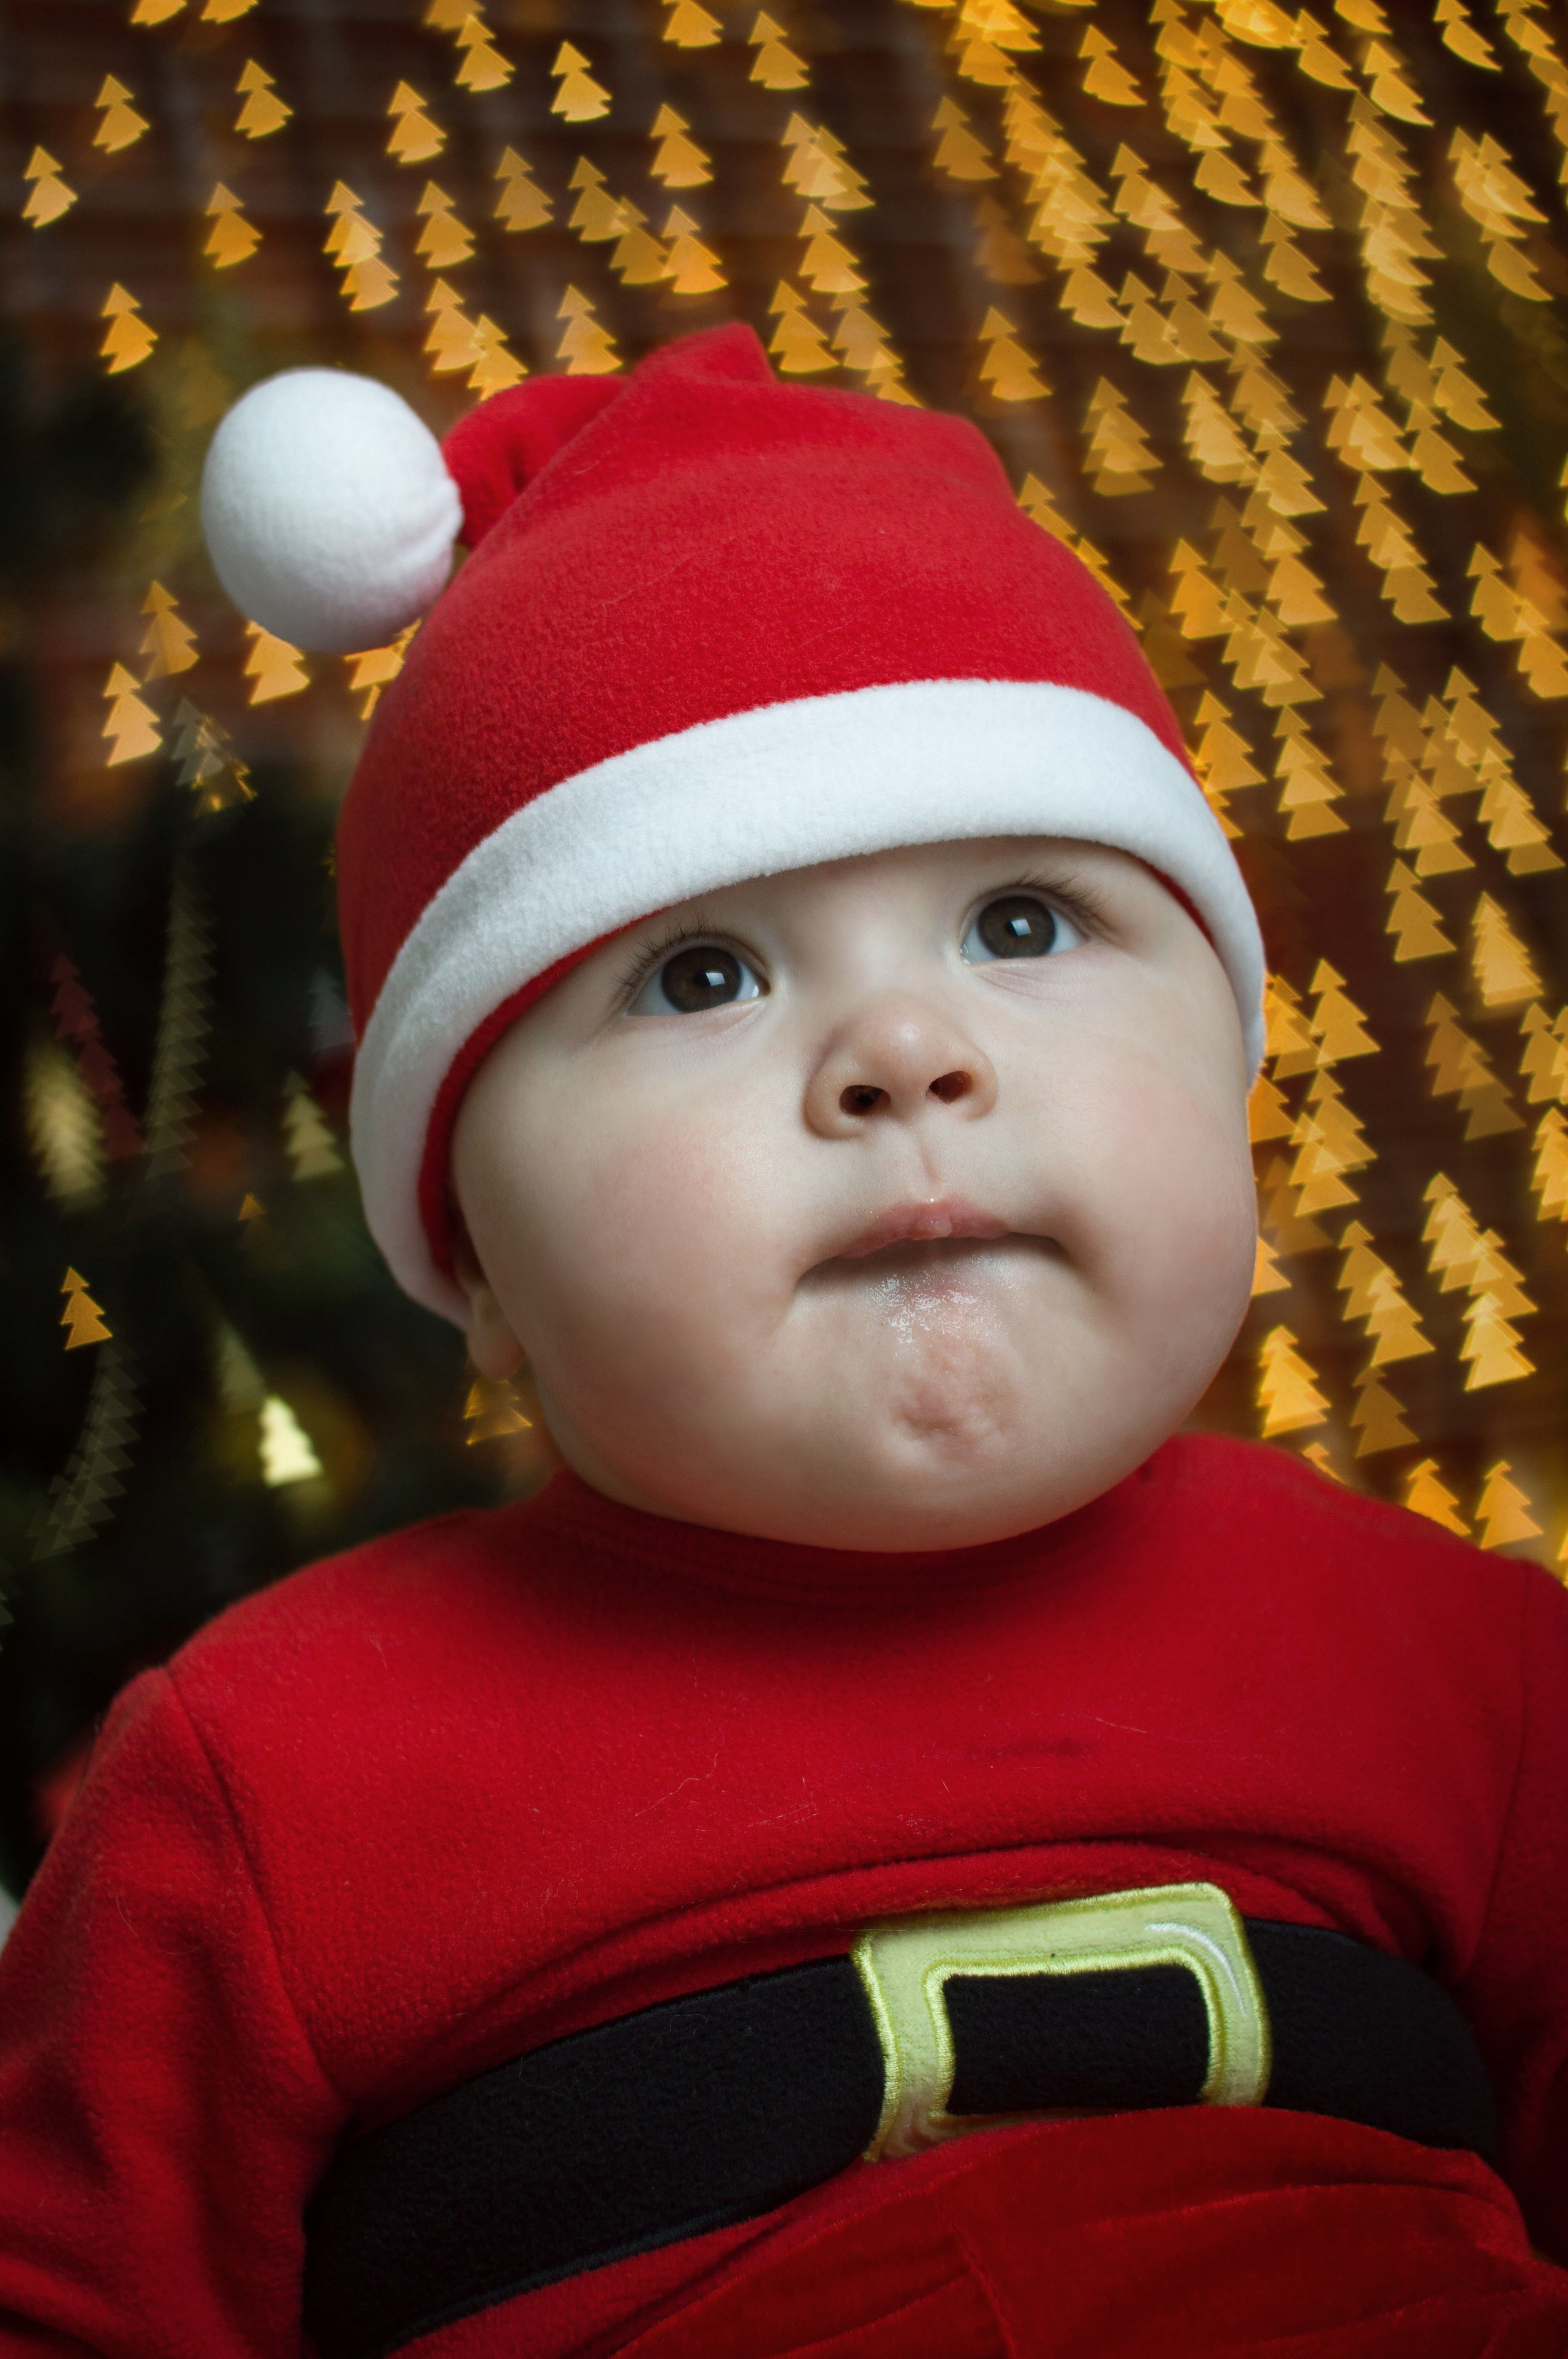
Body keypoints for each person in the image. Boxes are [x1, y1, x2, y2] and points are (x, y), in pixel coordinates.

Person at [0, 323, 1564, 2359]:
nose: (905, 1052)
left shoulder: (1470, 1676)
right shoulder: (262, 1788)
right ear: (478, 1265)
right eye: (701, 972)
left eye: (1022, 921)